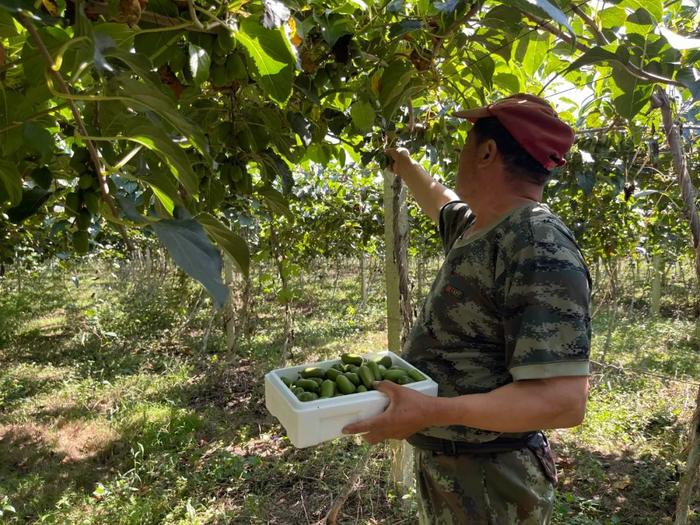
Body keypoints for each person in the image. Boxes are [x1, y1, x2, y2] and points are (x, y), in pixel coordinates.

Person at [343, 93, 592, 524]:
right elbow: (438, 200)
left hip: (492, 480)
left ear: (487, 151)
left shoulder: (536, 243)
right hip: (456, 469)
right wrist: (401, 161)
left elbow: (562, 402)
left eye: (464, 144)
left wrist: (433, 412)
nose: (457, 156)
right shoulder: (478, 227)